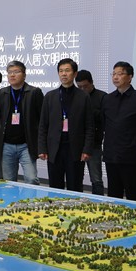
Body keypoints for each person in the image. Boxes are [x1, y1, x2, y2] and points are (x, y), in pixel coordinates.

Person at [101, 61, 136, 201]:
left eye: (120, 74)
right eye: (114, 74)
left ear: (130, 77)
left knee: (132, 193)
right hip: (111, 155)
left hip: (131, 156)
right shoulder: (107, 99)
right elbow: (104, 124)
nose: (115, 77)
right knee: (113, 194)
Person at [38, 58, 94, 191]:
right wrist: (42, 148)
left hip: (75, 149)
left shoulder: (83, 96)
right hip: (54, 149)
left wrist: (87, 149)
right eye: (61, 71)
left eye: (67, 70)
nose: (64, 74)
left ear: (75, 74)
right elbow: (43, 125)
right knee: (54, 187)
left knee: (75, 186)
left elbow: (89, 126)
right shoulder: (50, 96)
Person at [0, 60, 44, 185]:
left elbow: (41, 120)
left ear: (24, 75)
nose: (12, 75)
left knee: (31, 179)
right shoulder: (2, 93)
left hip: (26, 145)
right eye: (9, 72)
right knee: (8, 182)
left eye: (16, 72)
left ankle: (30, 199)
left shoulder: (34, 92)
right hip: (7, 145)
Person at [76, 69, 106, 195]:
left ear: (92, 83)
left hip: (94, 143)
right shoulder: (75, 97)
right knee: (76, 177)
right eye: (80, 87)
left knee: (96, 178)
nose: (83, 89)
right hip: (77, 143)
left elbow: (104, 120)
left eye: (85, 86)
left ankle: (98, 201)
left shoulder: (102, 97)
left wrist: (90, 112)